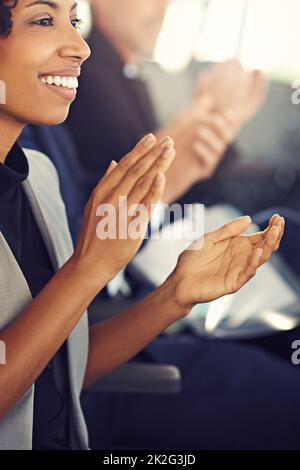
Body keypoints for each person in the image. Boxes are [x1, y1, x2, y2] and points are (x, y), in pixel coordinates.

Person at [0, 0, 298, 452]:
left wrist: (174, 295)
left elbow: (60, 367)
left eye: (74, 21)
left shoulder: (38, 177)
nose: (80, 46)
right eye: (44, 20)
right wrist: (89, 267)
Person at [67, 0, 268, 206]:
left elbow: (177, 195)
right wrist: (211, 112)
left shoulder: (129, 82)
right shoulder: (83, 81)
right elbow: (111, 213)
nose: (163, 6)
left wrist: (219, 118)